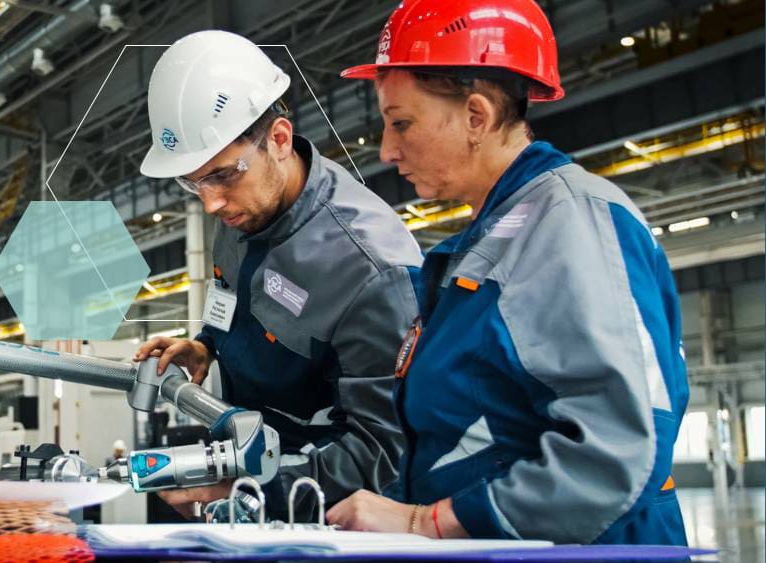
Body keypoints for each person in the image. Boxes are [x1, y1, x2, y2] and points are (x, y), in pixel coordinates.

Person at [326, 0, 689, 546]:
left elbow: (616, 452)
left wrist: (426, 523)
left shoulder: (569, 221)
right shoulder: (491, 239)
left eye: (401, 123)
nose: (387, 149)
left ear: (477, 116)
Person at [132, 30, 423, 520]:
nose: (210, 202)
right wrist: (206, 345)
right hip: (248, 463)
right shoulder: (244, 210)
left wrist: (249, 497)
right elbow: (232, 299)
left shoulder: (371, 269)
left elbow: (385, 453)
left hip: (319, 506)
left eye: (223, 175)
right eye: (193, 182)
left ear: (280, 140)